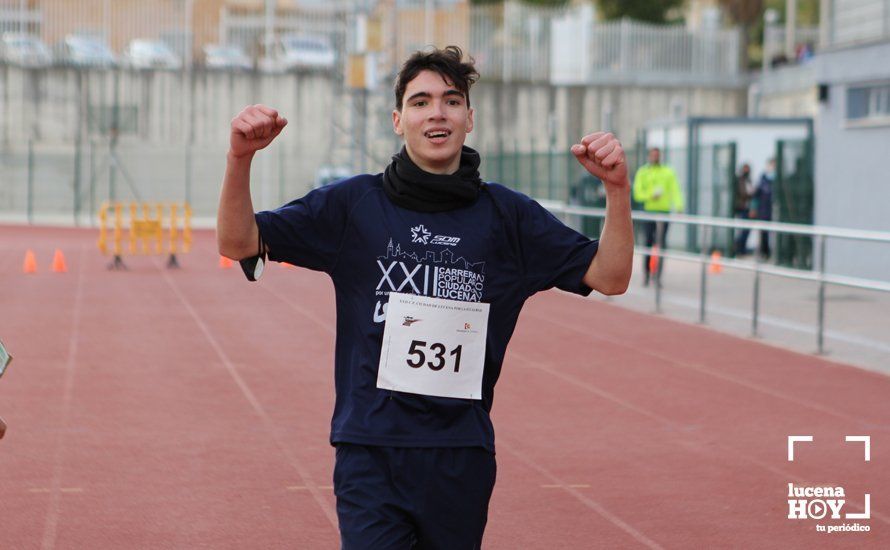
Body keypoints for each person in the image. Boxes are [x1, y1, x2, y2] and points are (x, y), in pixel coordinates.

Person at [217, 46, 633, 549]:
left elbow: (610, 276)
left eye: (451, 101)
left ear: (469, 118)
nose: (436, 112)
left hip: (460, 452)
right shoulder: (353, 206)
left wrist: (617, 191)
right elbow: (238, 242)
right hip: (370, 450)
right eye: (420, 102)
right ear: (398, 120)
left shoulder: (509, 217)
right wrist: (240, 158)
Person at [632, 147, 683, 286]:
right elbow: (637, 193)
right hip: (649, 212)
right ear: (649, 156)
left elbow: (675, 189)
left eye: (657, 155)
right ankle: (647, 274)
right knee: (648, 242)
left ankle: (658, 276)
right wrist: (650, 195)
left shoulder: (668, 171)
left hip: (664, 212)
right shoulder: (643, 172)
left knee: (661, 244)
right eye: (652, 155)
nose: (655, 157)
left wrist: (679, 206)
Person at [751, 158, 776, 259]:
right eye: (771, 165)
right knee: (764, 233)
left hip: (774, 211)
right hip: (764, 211)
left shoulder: (778, 180)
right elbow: (756, 195)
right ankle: (765, 252)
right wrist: (753, 208)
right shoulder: (762, 179)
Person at [733, 162, 755, 256]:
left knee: (746, 230)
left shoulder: (749, 180)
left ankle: (742, 249)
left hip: (747, 209)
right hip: (741, 208)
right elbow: (743, 193)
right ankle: (738, 248)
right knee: (742, 230)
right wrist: (750, 194)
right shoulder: (740, 180)